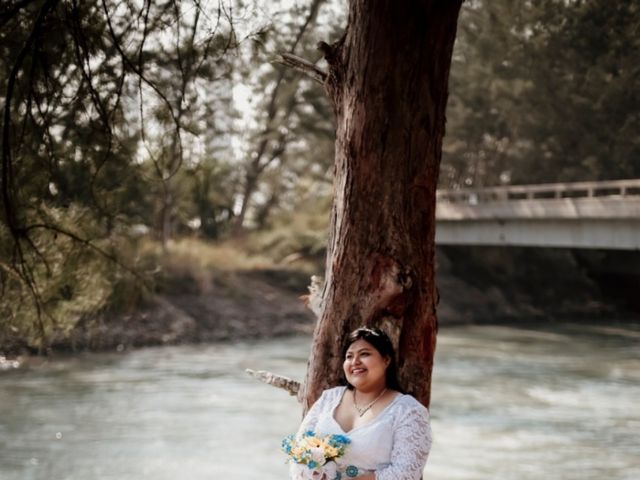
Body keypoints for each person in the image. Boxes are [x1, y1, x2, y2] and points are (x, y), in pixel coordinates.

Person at [290, 327, 432, 480]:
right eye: (349, 356)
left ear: (386, 360)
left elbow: (406, 474)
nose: (355, 362)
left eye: (364, 354)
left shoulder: (408, 411)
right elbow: (299, 450)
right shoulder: (329, 398)